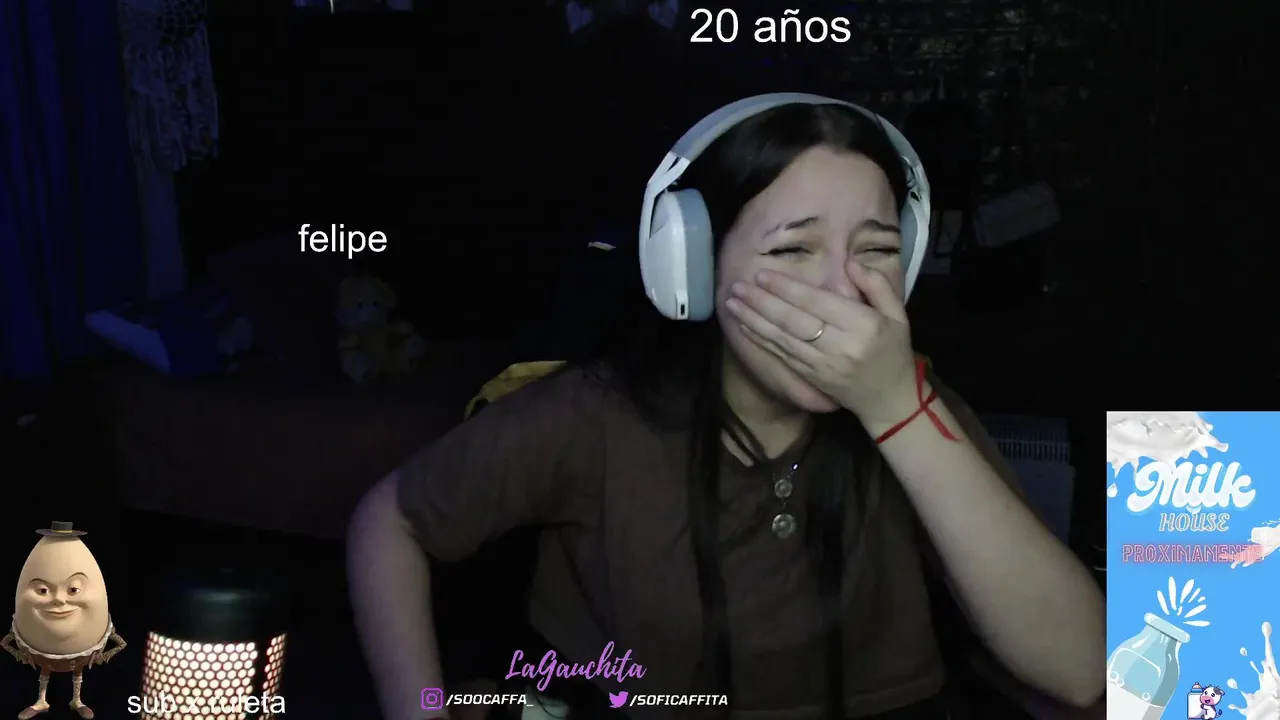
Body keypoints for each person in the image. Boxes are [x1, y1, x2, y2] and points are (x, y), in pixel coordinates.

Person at [347, 96, 1105, 720]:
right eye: (791, 251)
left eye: (874, 251)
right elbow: (392, 520)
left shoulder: (922, 413)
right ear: (692, 269)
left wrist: (898, 413)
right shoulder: (589, 417)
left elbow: (1081, 672)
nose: (840, 296)